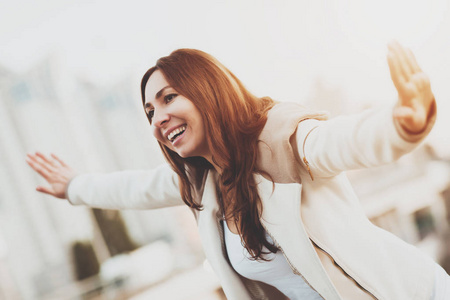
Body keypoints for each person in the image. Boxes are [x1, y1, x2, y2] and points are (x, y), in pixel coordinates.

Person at [26, 41, 449, 299]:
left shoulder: (281, 137)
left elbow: (340, 141)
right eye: (150, 111)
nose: (158, 118)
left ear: (206, 90)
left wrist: (402, 123)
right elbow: (135, 189)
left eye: (169, 98)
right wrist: (75, 186)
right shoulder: (202, 184)